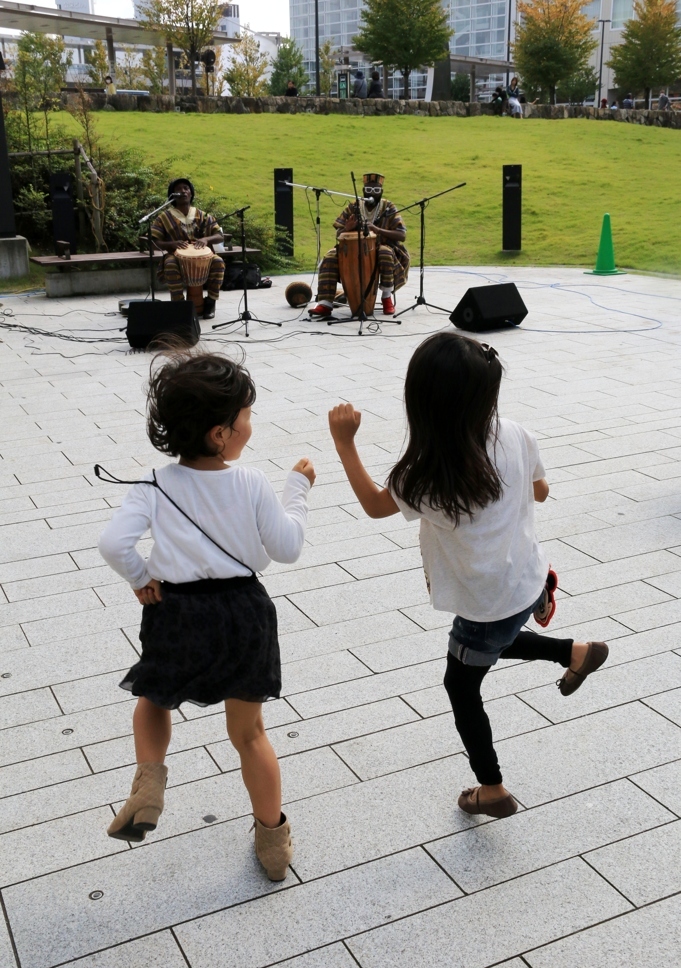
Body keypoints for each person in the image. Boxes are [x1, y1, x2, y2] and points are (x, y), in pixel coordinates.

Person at [328, 333, 609, 819]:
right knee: (496, 639)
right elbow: (541, 492)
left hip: (485, 601)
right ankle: (578, 652)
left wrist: (344, 443)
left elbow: (376, 506)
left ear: (423, 402)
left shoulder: (427, 474)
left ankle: (492, 788)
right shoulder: (517, 433)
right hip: (525, 580)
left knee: (461, 686)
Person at [98, 351, 315, 880]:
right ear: (221, 434)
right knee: (249, 733)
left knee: (153, 697)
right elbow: (287, 548)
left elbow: (112, 542)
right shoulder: (251, 482)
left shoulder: (152, 484)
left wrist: (140, 576)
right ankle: (273, 844)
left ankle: (149, 783)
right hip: (244, 613)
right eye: (246, 415)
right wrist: (299, 490)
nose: (250, 424)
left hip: (177, 612)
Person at [309, 172, 410, 318]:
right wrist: (347, 228)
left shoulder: (388, 207)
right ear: (363, 191)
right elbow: (339, 235)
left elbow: (402, 235)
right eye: (369, 190)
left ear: (381, 191)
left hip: (383, 247)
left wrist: (378, 230)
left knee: (385, 253)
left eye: (376, 191)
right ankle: (325, 303)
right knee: (330, 256)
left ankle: (386, 297)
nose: (372, 194)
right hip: (353, 250)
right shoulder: (354, 207)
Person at [151, 178, 225, 320]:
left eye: (186, 188)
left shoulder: (203, 215)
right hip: (176, 256)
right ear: (172, 195)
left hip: (204, 256)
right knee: (170, 264)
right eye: (178, 189)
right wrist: (171, 244)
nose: (183, 191)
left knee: (218, 262)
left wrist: (206, 239)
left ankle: (211, 302)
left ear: (191, 193)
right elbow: (155, 240)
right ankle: (179, 305)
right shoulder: (163, 218)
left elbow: (219, 236)